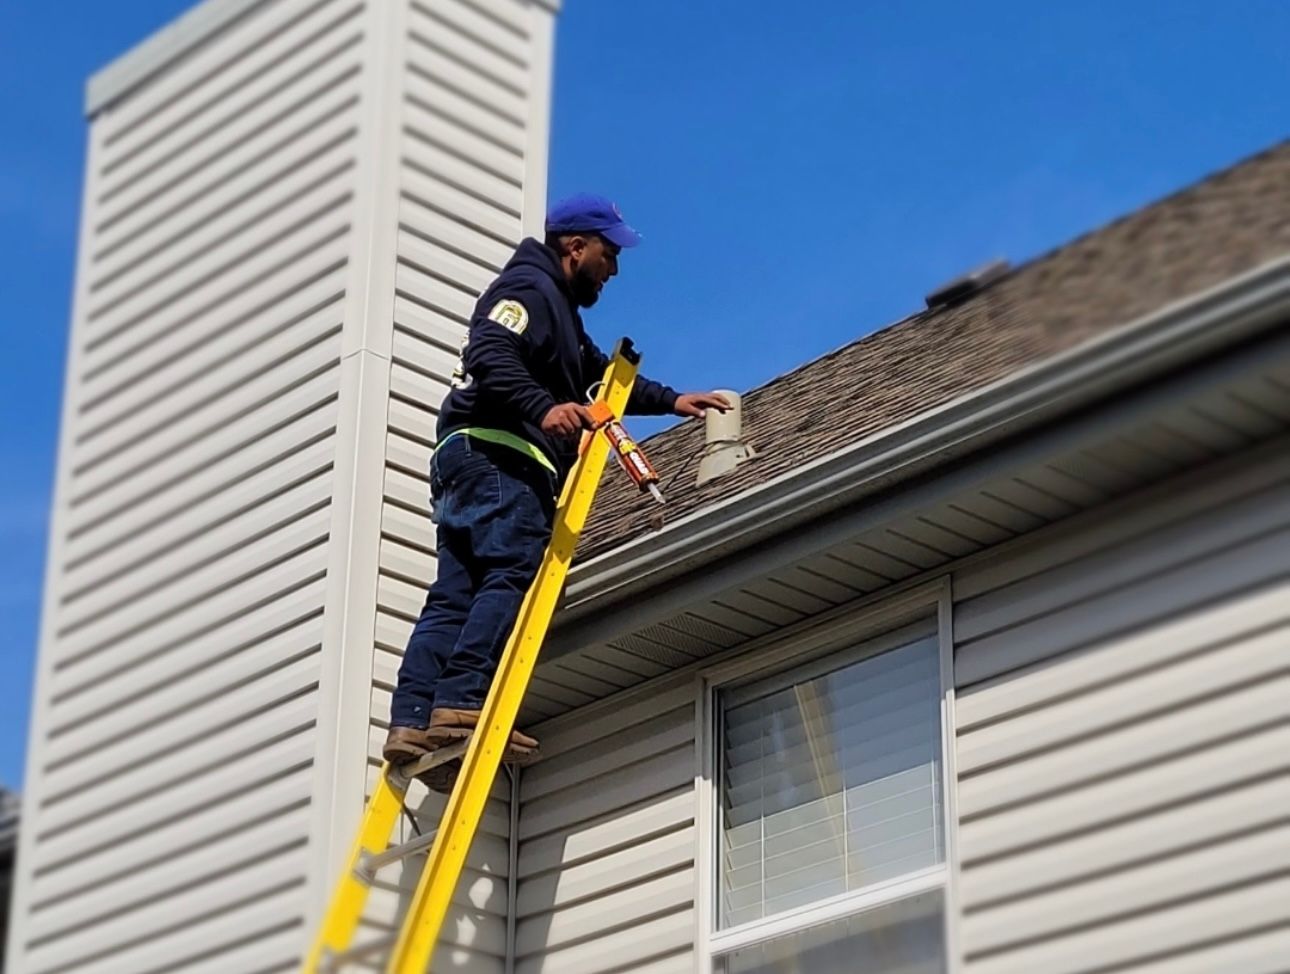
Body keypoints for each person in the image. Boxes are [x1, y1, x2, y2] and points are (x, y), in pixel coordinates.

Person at [385, 194, 729, 790]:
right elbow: (489, 351)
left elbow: (597, 375)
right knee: (513, 567)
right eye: (608, 253)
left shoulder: (560, 315)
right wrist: (543, 410)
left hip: (466, 460)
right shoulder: (528, 290)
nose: (613, 269)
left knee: (455, 591)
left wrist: (671, 400)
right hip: (499, 456)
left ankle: (412, 718)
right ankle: (462, 702)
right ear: (576, 246)